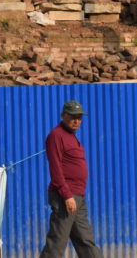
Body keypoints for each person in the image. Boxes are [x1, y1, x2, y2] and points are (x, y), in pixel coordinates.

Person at [40, 101, 102, 258]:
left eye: (79, 117)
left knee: (85, 240)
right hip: (65, 196)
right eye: (73, 117)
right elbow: (55, 169)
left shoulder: (71, 137)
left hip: (78, 196)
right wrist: (67, 195)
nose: (76, 121)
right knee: (57, 242)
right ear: (63, 116)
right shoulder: (56, 135)